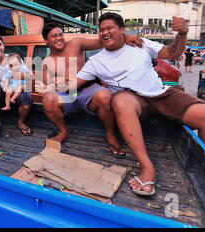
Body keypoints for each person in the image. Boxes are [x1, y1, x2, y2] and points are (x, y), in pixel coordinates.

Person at [76, 12, 205, 196]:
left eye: (110, 28)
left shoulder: (139, 43)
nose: (104, 32)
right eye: (101, 30)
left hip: (161, 93)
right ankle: (147, 168)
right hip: (133, 101)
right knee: (120, 100)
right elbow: (73, 84)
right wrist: (49, 86)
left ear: (122, 30)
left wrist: (182, 34)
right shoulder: (96, 61)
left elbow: (173, 52)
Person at [36, 21, 143, 156]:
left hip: (88, 90)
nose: (59, 38)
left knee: (105, 96)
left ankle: (110, 135)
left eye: (60, 34)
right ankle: (63, 131)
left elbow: (103, 41)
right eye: (54, 36)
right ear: (46, 40)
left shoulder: (76, 43)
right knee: (48, 99)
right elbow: (47, 85)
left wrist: (125, 36)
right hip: (67, 95)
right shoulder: (47, 61)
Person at [0, 34, 33, 135]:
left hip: (15, 90)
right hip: (0, 93)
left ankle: (21, 122)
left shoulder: (14, 59)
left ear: (3, 46)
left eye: (0, 44)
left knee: (26, 98)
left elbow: (30, 76)